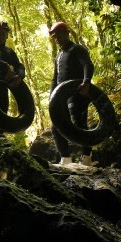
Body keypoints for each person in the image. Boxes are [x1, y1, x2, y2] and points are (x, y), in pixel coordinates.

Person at [48, 22, 95, 166]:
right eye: (55, 36)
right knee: (56, 126)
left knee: (79, 123)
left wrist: (86, 82)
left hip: (78, 92)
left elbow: (87, 65)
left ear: (67, 33)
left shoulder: (77, 49)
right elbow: (55, 78)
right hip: (61, 96)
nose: (57, 38)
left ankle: (86, 159)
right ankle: (66, 159)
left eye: (59, 35)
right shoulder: (59, 55)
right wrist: (51, 97)